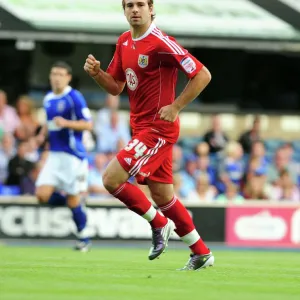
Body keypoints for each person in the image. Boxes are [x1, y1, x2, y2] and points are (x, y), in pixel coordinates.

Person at [84, 0, 214, 270]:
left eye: (140, 4)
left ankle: (158, 223)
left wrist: (177, 106)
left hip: (159, 127)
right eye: (129, 4)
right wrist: (98, 74)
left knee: (110, 178)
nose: (134, 9)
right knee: (163, 195)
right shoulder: (124, 41)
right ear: (123, 10)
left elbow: (202, 74)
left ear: (151, 9)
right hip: (141, 127)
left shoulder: (161, 42)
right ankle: (201, 252)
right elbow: (117, 86)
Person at [35, 61, 93, 252]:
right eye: (54, 74)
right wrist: (42, 134)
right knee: (41, 195)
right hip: (54, 155)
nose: (56, 78)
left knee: (72, 199)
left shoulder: (74, 97)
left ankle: (84, 237)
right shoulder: (48, 98)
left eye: (60, 74)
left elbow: (87, 124)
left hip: (72, 156)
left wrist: (66, 123)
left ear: (68, 77)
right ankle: (75, 203)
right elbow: (50, 122)